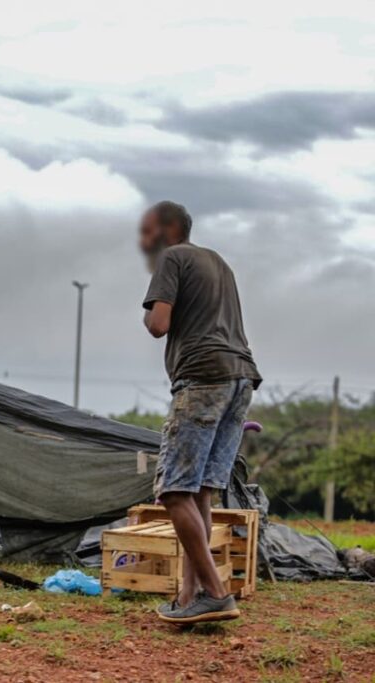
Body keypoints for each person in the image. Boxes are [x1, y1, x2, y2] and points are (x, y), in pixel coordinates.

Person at [139, 200, 262, 624]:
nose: (145, 240)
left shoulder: (172, 258)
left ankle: (215, 592)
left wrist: (150, 314)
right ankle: (189, 596)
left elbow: (159, 324)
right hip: (240, 377)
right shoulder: (219, 263)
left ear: (170, 229)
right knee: (199, 492)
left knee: (173, 491)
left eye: (149, 230)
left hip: (203, 377)